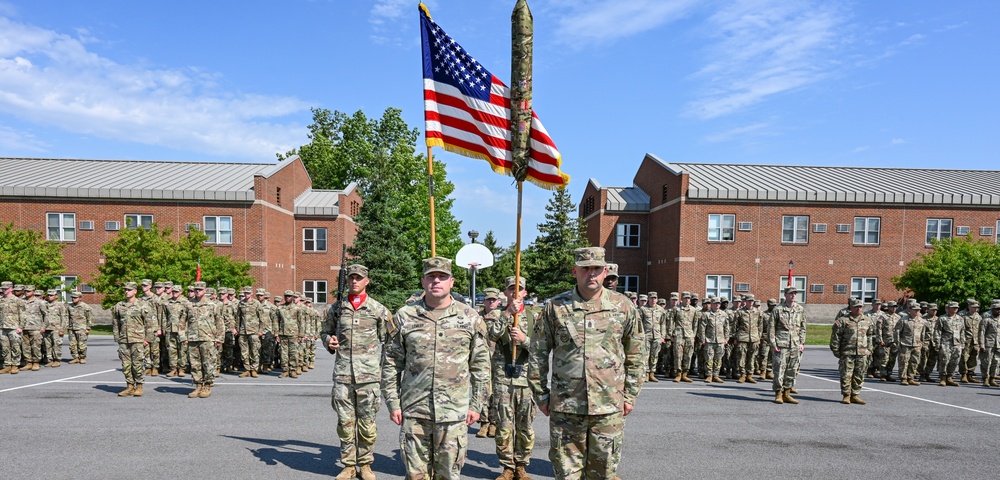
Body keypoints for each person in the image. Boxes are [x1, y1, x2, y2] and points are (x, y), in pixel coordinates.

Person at [528, 247, 644, 480]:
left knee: (603, 472)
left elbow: (637, 353)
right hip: (566, 407)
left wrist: (630, 396)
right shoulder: (556, 306)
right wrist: (541, 396)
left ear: (604, 272)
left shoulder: (623, 306)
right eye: (585, 269)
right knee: (566, 474)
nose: (591, 274)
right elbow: (538, 353)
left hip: (609, 406)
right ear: (575, 271)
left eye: (596, 269)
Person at [382, 256, 490, 480]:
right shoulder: (405, 316)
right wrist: (393, 403)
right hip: (414, 411)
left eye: (442, 277)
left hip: (454, 413)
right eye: (431, 277)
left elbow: (480, 367)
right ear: (423, 281)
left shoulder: (469, 317)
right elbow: (391, 364)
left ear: (452, 282)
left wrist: (476, 405)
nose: (436, 281)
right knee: (415, 475)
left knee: (449, 475)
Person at [322, 264, 390, 480]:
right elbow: (325, 331)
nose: (354, 281)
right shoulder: (337, 308)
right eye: (351, 278)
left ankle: (366, 464)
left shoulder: (378, 310)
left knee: (367, 423)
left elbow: (390, 341)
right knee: (345, 422)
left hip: (368, 377)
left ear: (366, 281)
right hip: (343, 375)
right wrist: (328, 341)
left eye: (358, 278)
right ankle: (349, 465)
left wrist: (385, 370)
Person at [487, 276, 536, 480]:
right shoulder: (497, 315)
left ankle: (521, 465)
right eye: (511, 289)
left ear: (525, 293)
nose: (515, 293)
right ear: (505, 293)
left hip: (526, 380)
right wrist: (508, 313)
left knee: (525, 426)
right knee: (504, 426)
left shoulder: (534, 318)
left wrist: (524, 340)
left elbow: (541, 348)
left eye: (519, 289)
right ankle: (507, 466)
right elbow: (492, 335)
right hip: (503, 379)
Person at [829, 298, 874, 404]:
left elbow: (871, 336)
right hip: (847, 352)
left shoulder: (867, 320)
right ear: (851, 308)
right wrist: (836, 351)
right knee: (846, 375)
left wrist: (869, 350)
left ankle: (855, 395)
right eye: (856, 307)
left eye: (860, 307)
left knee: (859, 374)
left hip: (862, 353)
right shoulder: (843, 320)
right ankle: (846, 395)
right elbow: (835, 337)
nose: (859, 309)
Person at [112, 282, 153, 396]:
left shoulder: (142, 305)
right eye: (125, 290)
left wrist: (148, 339)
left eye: (129, 290)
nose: (126, 292)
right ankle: (129, 386)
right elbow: (116, 323)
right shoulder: (119, 306)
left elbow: (149, 323)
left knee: (137, 364)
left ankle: (139, 386)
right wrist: (117, 338)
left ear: (135, 291)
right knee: (126, 365)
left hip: (138, 339)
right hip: (124, 339)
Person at [184, 281, 224, 398]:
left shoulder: (212, 305)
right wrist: (183, 337)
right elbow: (182, 322)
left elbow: (219, 322)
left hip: (208, 338)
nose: (197, 291)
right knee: (195, 364)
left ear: (205, 291)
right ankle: (198, 386)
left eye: (200, 290)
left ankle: (207, 385)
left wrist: (219, 338)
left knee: (208, 363)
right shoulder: (188, 304)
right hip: (192, 338)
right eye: (196, 290)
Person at [769, 286, 807, 404]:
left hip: (795, 344)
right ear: (785, 295)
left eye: (795, 293)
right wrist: (773, 343)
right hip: (781, 344)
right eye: (791, 294)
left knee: (792, 370)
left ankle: (787, 393)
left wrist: (801, 342)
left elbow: (803, 327)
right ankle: (778, 393)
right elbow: (771, 328)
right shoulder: (778, 309)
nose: (793, 295)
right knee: (779, 369)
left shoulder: (800, 309)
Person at [477, 287, 503, 438]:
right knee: (482, 391)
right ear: (484, 301)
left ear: (498, 301)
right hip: (481, 359)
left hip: (497, 359)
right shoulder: (477, 316)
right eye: (488, 299)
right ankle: (483, 423)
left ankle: (494, 422)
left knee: (496, 392)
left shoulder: (501, 316)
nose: (491, 302)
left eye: (494, 299)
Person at [894, 302, 930, 386]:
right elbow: (897, 332)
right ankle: (903, 378)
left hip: (917, 345)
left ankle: (911, 378)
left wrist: (923, 343)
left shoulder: (922, 321)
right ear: (910, 310)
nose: (917, 311)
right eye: (915, 310)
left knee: (915, 362)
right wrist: (898, 343)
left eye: (918, 310)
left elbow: (926, 333)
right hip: (905, 344)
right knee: (904, 361)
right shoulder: (904, 320)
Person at [733, 294, 763, 383]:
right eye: (749, 301)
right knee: (741, 356)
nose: (751, 303)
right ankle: (742, 374)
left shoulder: (758, 312)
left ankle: (749, 375)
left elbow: (760, 326)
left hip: (754, 338)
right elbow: (735, 326)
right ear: (745, 302)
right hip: (742, 337)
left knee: (752, 357)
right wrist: (735, 337)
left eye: (752, 301)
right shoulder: (740, 312)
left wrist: (758, 337)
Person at [699, 296, 730, 383]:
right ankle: (709, 375)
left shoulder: (723, 314)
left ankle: (716, 375)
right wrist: (702, 339)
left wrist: (726, 338)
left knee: (718, 358)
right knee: (709, 358)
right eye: (715, 303)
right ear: (711, 304)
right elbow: (702, 328)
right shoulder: (706, 315)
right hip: (709, 340)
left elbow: (726, 327)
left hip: (720, 340)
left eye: (718, 303)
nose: (717, 305)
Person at [236, 287, 265, 378]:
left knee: (255, 351)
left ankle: (254, 369)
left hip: (254, 331)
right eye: (245, 293)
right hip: (243, 331)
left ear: (252, 293)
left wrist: (261, 330)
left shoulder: (256, 303)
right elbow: (238, 317)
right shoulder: (241, 303)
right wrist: (238, 329)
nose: (246, 295)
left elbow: (262, 318)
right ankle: (247, 369)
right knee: (244, 352)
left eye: (248, 293)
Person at [934, 301, 965, 387]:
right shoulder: (942, 318)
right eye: (953, 307)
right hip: (945, 342)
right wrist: (937, 343)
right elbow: (937, 331)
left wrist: (962, 343)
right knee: (944, 360)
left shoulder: (960, 319)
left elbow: (962, 332)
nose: (955, 309)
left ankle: (950, 377)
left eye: (957, 308)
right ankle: (943, 378)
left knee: (954, 361)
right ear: (949, 308)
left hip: (957, 343)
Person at [672, 292, 698, 382]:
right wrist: (672, 334)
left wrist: (693, 335)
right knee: (678, 355)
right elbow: (671, 322)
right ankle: (678, 374)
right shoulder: (676, 309)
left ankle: (685, 374)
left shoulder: (693, 310)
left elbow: (695, 323)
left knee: (688, 355)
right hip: (679, 335)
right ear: (682, 299)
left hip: (689, 335)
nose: (687, 300)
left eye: (688, 298)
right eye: (685, 298)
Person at [0, 281, 26, 374]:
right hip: (3, 328)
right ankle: (7, 365)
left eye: (6, 289)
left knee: (16, 347)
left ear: (11, 289)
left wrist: (21, 326)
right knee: (5, 347)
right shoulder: (1, 300)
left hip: (14, 327)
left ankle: (15, 365)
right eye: (3, 288)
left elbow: (22, 314)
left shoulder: (17, 300)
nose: (4, 290)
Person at [163, 285, 188, 377]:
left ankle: (181, 369)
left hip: (182, 330)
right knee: (171, 349)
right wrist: (164, 328)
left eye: (176, 291)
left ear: (181, 292)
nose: (174, 293)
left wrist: (187, 330)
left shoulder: (186, 302)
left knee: (182, 350)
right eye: (173, 291)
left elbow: (189, 318)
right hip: (170, 329)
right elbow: (164, 317)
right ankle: (173, 368)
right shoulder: (167, 303)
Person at [20, 286, 46, 371]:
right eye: (25, 291)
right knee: (25, 346)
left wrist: (43, 326)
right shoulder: (21, 301)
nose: (26, 292)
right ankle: (29, 362)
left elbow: (46, 315)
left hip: (36, 327)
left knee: (36, 346)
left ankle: (36, 362)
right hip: (24, 327)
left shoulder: (40, 302)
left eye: (29, 291)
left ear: (33, 292)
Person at [42, 289, 68, 366]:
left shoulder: (60, 305)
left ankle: (57, 359)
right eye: (48, 295)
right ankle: (50, 359)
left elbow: (64, 318)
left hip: (56, 328)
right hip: (47, 328)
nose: (49, 297)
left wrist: (62, 329)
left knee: (57, 345)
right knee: (48, 345)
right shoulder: (45, 305)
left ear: (56, 296)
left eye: (51, 295)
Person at [66, 292, 93, 364]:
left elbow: (89, 319)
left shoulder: (85, 307)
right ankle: (75, 357)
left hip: (81, 328)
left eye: (75, 298)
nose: (73, 299)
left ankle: (82, 357)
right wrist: (67, 327)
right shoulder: (70, 306)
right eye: (72, 297)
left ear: (80, 298)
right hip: (72, 328)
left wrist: (88, 328)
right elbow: (67, 317)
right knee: (72, 344)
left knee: (81, 344)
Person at [978, 300, 1000, 387]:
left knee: (996, 362)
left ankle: (992, 378)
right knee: (986, 362)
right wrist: (982, 344)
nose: (998, 311)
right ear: (992, 309)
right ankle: (985, 379)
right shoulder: (986, 320)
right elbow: (981, 333)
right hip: (988, 344)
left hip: (998, 344)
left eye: (999, 309)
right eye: (996, 309)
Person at [960, 300, 982, 383]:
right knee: (964, 358)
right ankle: (964, 375)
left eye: (977, 307)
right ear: (969, 307)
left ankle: (970, 375)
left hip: (976, 341)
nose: (975, 309)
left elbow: (981, 330)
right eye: (974, 307)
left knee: (974, 358)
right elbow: (961, 330)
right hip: (966, 340)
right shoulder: (963, 316)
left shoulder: (979, 317)